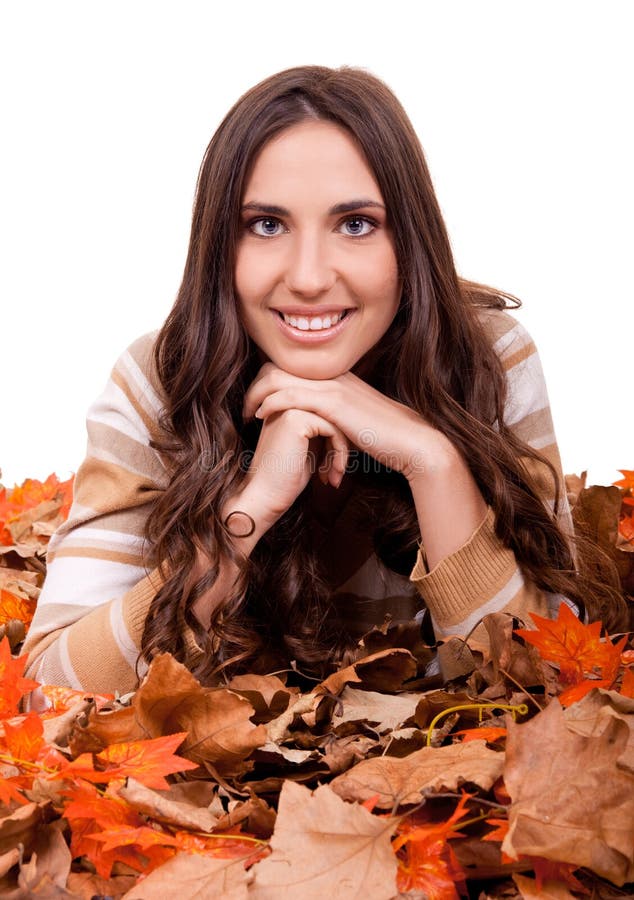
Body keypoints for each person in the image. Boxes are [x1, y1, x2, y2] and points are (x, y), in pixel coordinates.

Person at [21, 65, 619, 699]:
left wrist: (433, 462)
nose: (308, 278)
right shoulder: (163, 381)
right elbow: (46, 690)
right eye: (267, 225)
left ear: (409, 241)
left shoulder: (484, 362)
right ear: (218, 246)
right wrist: (249, 509)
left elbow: (558, 685)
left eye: (355, 224)